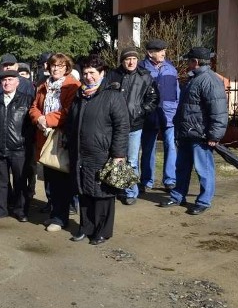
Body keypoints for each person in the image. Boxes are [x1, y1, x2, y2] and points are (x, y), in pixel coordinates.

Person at [66, 55, 129, 245]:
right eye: (85, 73)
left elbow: (122, 126)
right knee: (84, 191)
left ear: (102, 73)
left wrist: (118, 154)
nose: (88, 77)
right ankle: (86, 227)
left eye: (92, 73)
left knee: (102, 194)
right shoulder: (79, 96)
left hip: (103, 154)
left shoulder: (113, 96)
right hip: (80, 154)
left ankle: (102, 231)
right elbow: (71, 123)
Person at [159, 47, 228, 215]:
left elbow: (219, 111)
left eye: (189, 61)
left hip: (201, 136)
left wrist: (214, 135)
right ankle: (177, 196)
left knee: (203, 169)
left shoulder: (209, 80)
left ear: (195, 62)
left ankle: (204, 201)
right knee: (181, 167)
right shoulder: (194, 78)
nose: (187, 64)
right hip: (187, 133)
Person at [29, 53, 81, 232]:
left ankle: (60, 218)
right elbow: (34, 107)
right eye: (53, 66)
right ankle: (54, 214)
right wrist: (39, 119)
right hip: (45, 137)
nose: (56, 69)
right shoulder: (44, 85)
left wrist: (47, 119)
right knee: (50, 180)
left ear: (67, 68)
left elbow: (68, 111)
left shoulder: (73, 85)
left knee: (61, 182)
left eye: (60, 66)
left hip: (62, 138)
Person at [106, 47, 159, 205]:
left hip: (135, 126)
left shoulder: (145, 77)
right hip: (114, 125)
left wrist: (141, 111)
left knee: (132, 161)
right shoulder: (113, 75)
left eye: (134, 59)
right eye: (127, 59)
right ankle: (117, 187)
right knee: (115, 158)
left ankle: (130, 192)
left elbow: (154, 98)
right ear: (122, 61)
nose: (131, 62)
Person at [0, 70, 35, 222]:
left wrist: (25, 140)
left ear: (17, 82)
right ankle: (0, 209)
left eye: (11, 80)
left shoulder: (27, 100)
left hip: (19, 149)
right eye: (4, 80)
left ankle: (20, 211)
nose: (7, 83)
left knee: (20, 182)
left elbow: (31, 124)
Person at [139, 39, 179, 193]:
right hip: (150, 114)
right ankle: (146, 181)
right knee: (149, 148)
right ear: (150, 53)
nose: (163, 53)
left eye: (164, 50)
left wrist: (177, 109)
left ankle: (170, 180)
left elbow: (177, 92)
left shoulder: (171, 68)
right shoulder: (141, 69)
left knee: (171, 146)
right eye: (160, 50)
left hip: (169, 114)